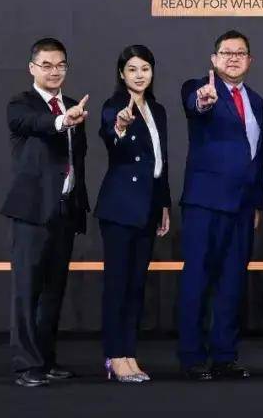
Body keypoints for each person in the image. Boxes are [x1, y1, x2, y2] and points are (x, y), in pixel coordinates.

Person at [176, 30, 263, 380]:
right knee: (197, 279)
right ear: (214, 59)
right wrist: (203, 101)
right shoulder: (199, 88)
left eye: (240, 53)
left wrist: (256, 203)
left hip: (243, 207)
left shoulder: (257, 101)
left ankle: (225, 356)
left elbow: (258, 155)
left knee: (232, 283)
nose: (233, 58)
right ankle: (192, 357)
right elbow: (194, 104)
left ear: (250, 61)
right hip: (205, 203)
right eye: (226, 52)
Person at [1, 37, 90, 387]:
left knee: (53, 292)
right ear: (32, 68)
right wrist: (61, 121)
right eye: (47, 65)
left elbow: (77, 161)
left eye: (60, 65)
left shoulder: (74, 104)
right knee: (27, 292)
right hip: (32, 212)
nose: (54, 71)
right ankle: (26, 365)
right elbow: (34, 123)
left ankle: (46, 359)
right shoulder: (20, 104)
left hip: (65, 211)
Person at [95, 44, 171, 383]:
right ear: (121, 74)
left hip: (149, 206)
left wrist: (164, 204)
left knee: (137, 285)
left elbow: (161, 161)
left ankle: (129, 353)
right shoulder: (113, 107)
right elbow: (112, 139)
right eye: (132, 69)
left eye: (145, 69)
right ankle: (114, 355)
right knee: (118, 284)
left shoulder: (158, 110)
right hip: (121, 207)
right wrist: (121, 127)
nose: (139, 75)